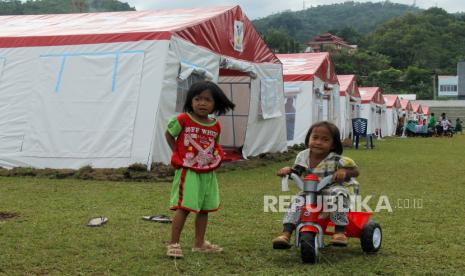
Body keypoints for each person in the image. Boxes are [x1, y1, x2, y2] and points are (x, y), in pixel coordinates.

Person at [165, 81, 235, 258]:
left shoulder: (215, 125)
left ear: (215, 104)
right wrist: (178, 152)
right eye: (197, 99)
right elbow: (169, 134)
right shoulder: (183, 120)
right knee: (185, 207)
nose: (202, 103)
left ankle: (199, 243)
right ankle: (173, 243)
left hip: (207, 172)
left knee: (204, 208)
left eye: (207, 100)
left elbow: (214, 146)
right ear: (191, 101)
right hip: (188, 171)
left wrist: (214, 158)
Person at [272, 121, 360, 248]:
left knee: (339, 196)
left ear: (333, 144)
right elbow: (297, 171)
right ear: (309, 139)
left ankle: (340, 231)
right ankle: (286, 233)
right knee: (297, 201)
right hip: (309, 191)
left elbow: (356, 171)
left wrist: (344, 171)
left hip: (331, 189)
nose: (318, 142)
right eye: (315, 138)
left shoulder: (337, 159)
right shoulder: (303, 156)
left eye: (325, 140)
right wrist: (288, 171)